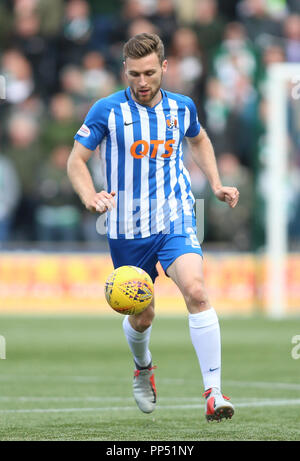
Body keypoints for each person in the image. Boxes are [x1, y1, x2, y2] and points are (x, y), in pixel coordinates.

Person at [67, 33, 239, 422]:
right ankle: (143, 367)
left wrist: (215, 183)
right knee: (142, 315)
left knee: (196, 290)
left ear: (164, 67)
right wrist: (89, 194)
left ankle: (213, 393)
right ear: (124, 72)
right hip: (127, 224)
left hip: (174, 213)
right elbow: (76, 160)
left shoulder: (182, 107)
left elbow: (199, 139)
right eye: (133, 75)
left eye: (149, 73)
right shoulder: (106, 110)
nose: (142, 82)